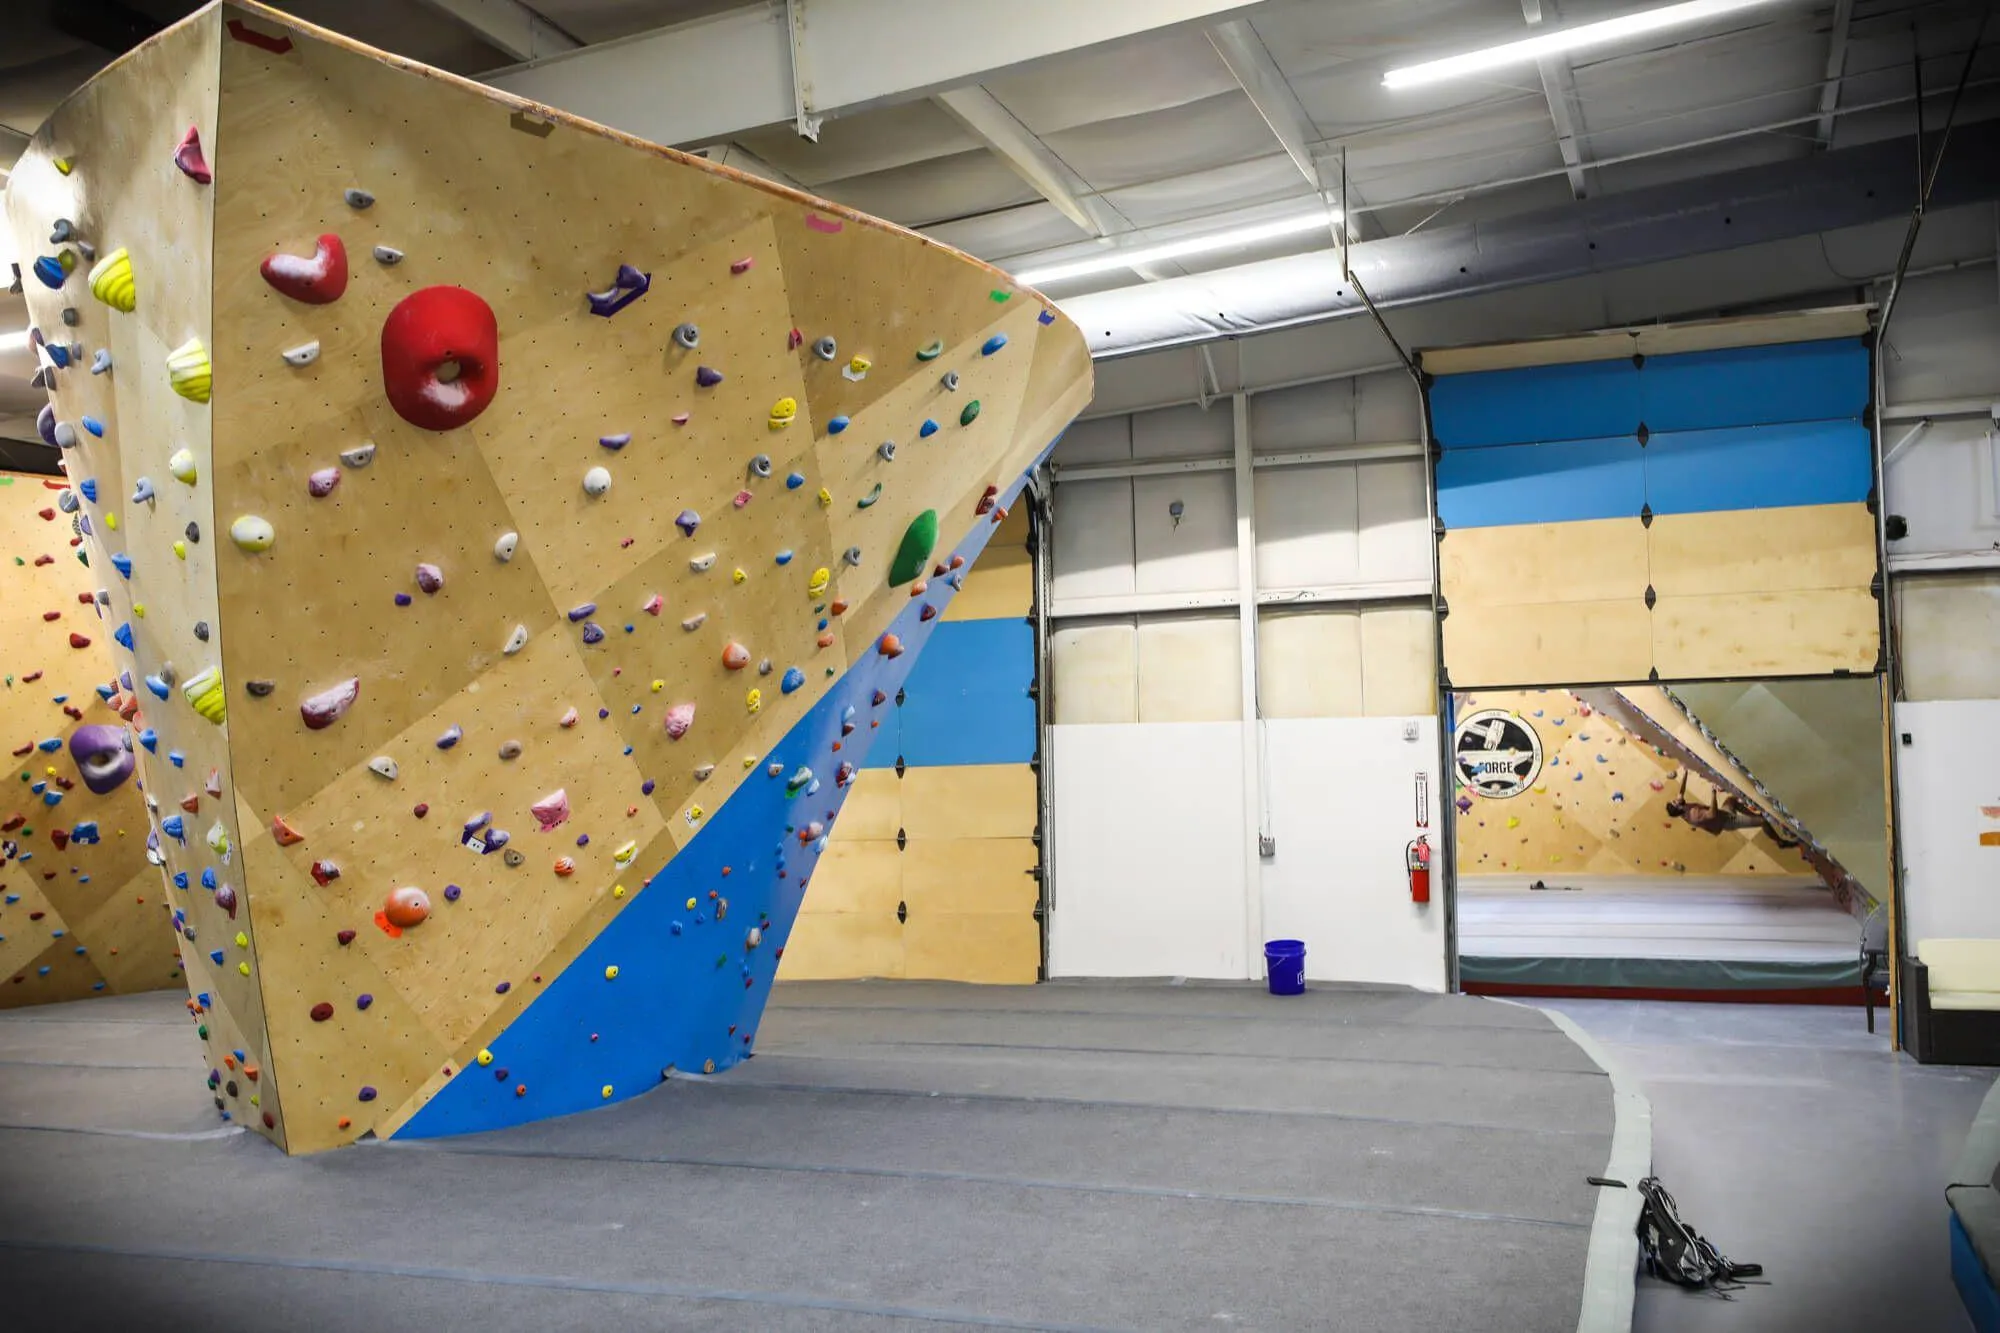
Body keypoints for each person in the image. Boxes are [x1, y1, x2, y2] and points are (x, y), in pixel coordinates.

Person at [1665, 773, 1799, 847]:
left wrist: (1685, 772)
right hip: (1728, 821)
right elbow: (1712, 813)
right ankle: (1780, 842)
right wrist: (1713, 793)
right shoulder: (1694, 815)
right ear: (1678, 807)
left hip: (1724, 813)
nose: (1676, 798)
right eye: (1675, 801)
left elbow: (1680, 792)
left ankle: (1754, 815)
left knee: (1732, 800)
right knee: (1763, 822)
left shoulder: (1682, 806)